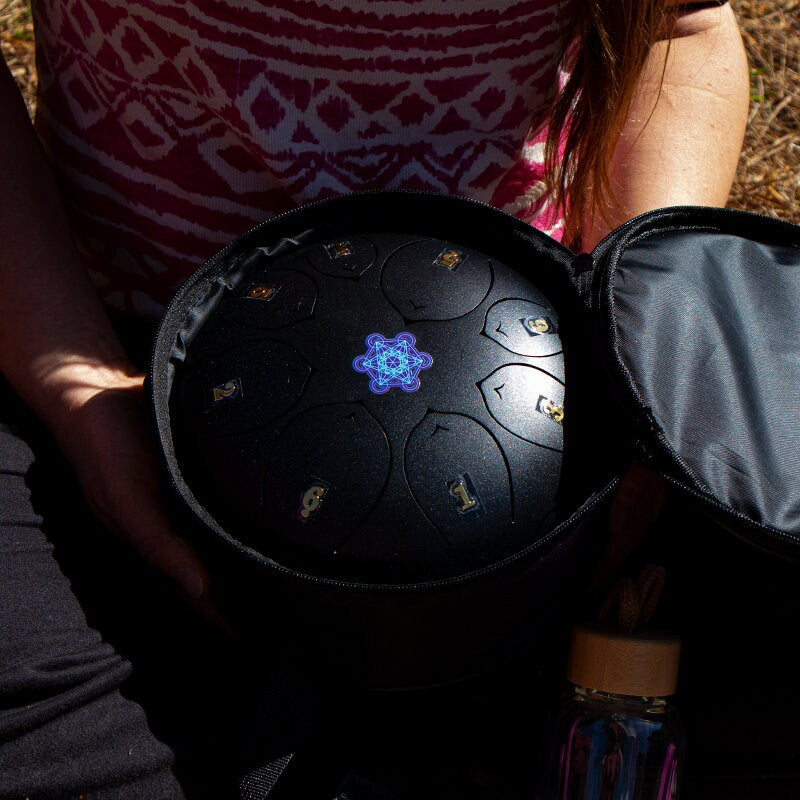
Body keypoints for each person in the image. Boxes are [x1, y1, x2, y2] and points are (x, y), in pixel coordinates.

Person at [0, 1, 750, 797]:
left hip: (543, 385)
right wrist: (81, 394)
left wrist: (633, 367)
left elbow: (679, 28)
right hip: (86, 341)